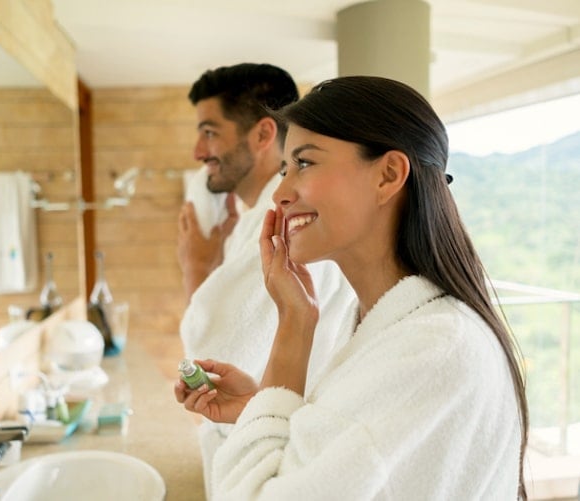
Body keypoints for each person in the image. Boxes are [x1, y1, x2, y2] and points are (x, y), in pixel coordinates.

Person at [175, 76, 529, 500]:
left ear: (389, 175)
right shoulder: (377, 325)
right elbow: (346, 450)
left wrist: (290, 328)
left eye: (304, 163)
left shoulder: (430, 351)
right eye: (285, 168)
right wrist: (263, 402)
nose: (281, 194)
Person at [176, 63, 354, 498]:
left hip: (285, 460)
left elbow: (211, 357)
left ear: (261, 135)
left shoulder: (283, 225)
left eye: (210, 132)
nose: (199, 151)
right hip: (268, 434)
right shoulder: (251, 219)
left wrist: (195, 267)